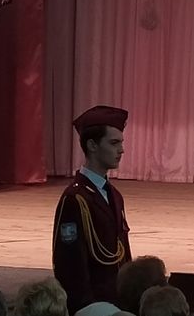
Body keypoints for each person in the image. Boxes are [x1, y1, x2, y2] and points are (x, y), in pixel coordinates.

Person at [53, 105, 133, 313]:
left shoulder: (114, 195)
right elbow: (69, 264)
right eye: (114, 143)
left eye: (121, 142)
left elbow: (122, 253)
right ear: (92, 145)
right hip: (93, 307)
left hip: (117, 304)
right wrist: (86, 308)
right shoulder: (75, 199)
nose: (121, 150)